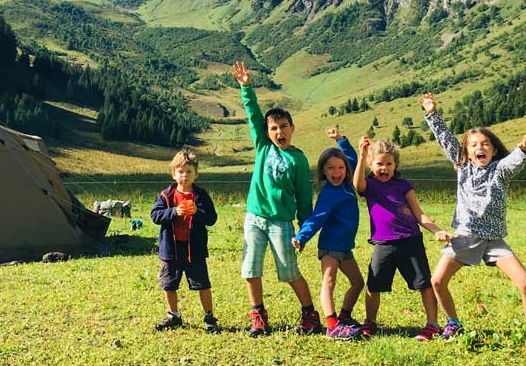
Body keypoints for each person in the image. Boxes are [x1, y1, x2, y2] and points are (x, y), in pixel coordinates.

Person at [421, 92, 526, 350]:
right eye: (473, 145)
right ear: (467, 151)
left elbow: (514, 162)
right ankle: (453, 324)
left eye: (485, 144)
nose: (479, 148)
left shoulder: (500, 170)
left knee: (525, 282)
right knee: (437, 281)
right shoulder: (462, 167)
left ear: (493, 149)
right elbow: (446, 140)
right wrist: (431, 113)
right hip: (465, 236)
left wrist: (524, 149)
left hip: (493, 239)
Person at [232, 61, 322, 336]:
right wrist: (246, 87)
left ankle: (309, 314)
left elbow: (305, 199)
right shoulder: (262, 146)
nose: (279, 132)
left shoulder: (298, 159)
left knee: (289, 271)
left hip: (281, 223)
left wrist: (304, 232)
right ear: (267, 132)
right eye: (273, 128)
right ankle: (258, 314)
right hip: (255, 218)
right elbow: (252, 114)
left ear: (292, 128)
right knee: (250, 269)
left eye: (283, 127)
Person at [353, 136, 452, 341]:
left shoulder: (404, 185)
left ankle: (432, 325)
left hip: (410, 241)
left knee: (424, 284)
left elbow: (419, 214)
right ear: (371, 165)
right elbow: (357, 184)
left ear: (395, 165)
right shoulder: (369, 185)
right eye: (379, 164)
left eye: (389, 164)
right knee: (374, 285)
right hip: (383, 243)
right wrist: (362, 155)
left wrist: (437, 230)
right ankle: (370, 322)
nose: (384, 168)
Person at [292, 128, 365, 340]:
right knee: (329, 281)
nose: (337, 172)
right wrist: (302, 237)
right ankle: (332, 325)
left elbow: (351, 158)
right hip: (330, 247)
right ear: (324, 170)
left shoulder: (347, 184)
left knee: (358, 283)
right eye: (331, 168)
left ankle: (344, 317)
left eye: (340, 168)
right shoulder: (328, 194)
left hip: (345, 247)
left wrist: (341, 140)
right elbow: (316, 218)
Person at [150, 148, 220, 333]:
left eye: (189, 172)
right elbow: (155, 215)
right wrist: (173, 212)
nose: (185, 176)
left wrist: (197, 212)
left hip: (194, 250)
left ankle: (209, 317)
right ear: (174, 174)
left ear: (196, 174)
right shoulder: (166, 195)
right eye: (181, 172)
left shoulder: (200, 196)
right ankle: (173, 315)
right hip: (171, 249)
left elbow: (212, 218)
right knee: (169, 283)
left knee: (202, 284)